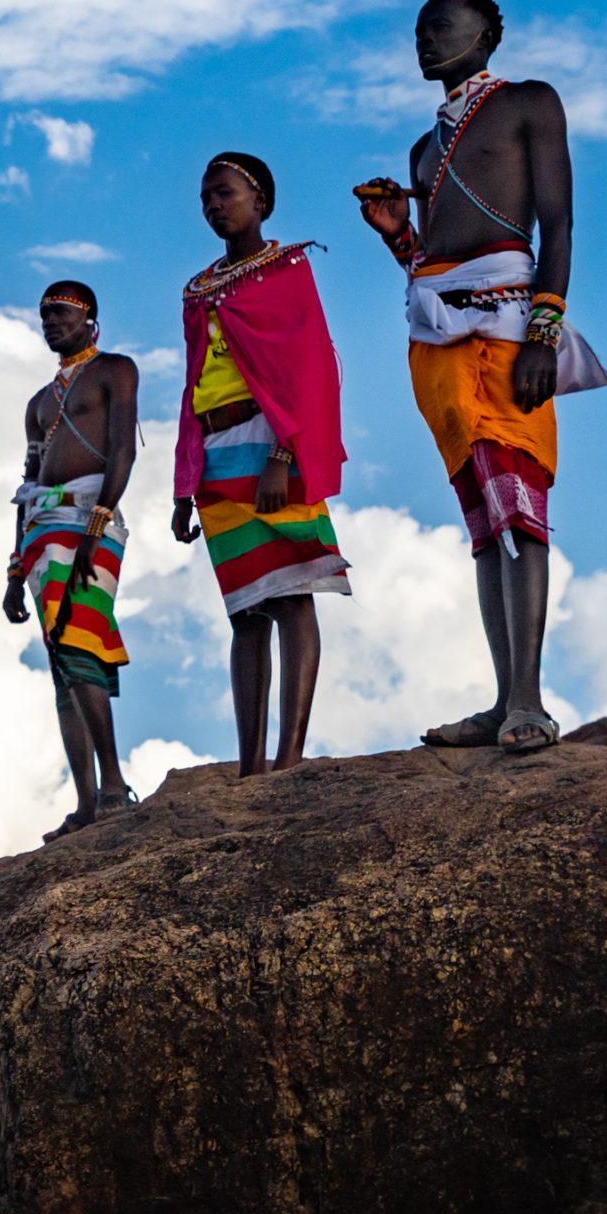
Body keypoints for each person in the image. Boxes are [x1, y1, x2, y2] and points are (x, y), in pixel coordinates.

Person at [353, 0, 607, 754]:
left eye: (441, 25)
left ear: (489, 32)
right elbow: (428, 256)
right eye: (419, 29)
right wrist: (397, 234)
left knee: (520, 504)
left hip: (508, 327)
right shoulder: (423, 150)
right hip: (435, 343)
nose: (425, 39)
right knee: (481, 518)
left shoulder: (530, 101)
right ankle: (503, 701)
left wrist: (543, 330)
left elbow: (557, 221)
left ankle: (529, 699)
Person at [171, 154, 351, 775]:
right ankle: (250, 769)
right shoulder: (197, 288)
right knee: (245, 608)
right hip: (216, 452)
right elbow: (193, 382)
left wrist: (282, 454)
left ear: (263, 201)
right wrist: (182, 482)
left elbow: (311, 363)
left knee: (294, 594)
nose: (214, 206)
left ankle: (290, 755)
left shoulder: (287, 270)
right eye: (205, 198)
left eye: (224, 193)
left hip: (274, 442)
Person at [2, 279, 138, 837]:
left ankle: (112, 786)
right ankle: (86, 802)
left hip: (89, 519)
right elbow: (28, 481)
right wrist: (13, 571)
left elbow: (124, 448)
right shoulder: (38, 402)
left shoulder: (115, 370)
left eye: (60, 312)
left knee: (81, 641)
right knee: (62, 658)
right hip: (41, 528)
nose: (50, 322)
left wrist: (98, 523)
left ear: (89, 316)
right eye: (43, 315)